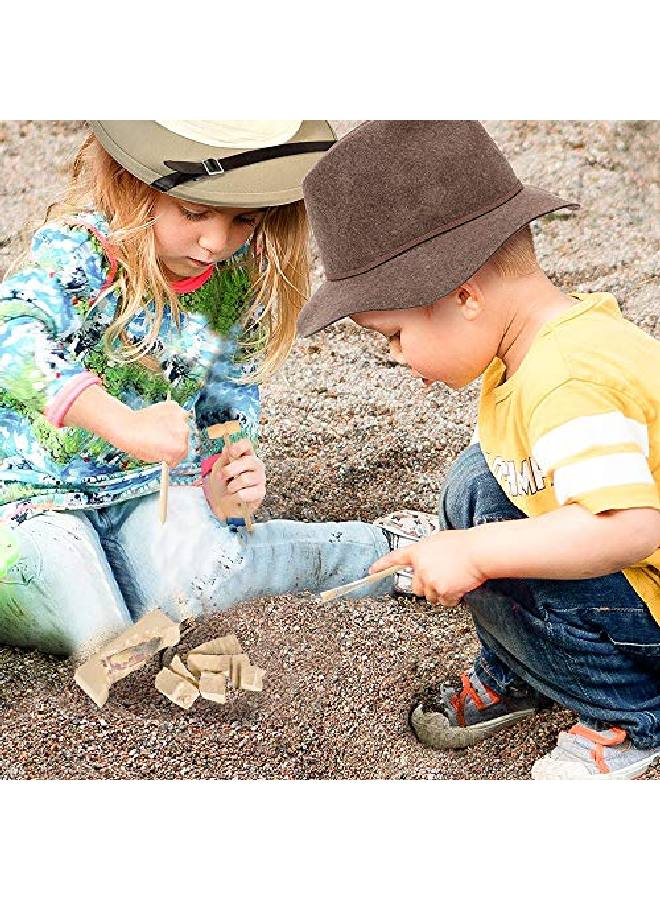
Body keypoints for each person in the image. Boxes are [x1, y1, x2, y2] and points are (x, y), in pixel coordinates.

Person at [297, 120, 660, 779]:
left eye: (394, 336)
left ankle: (633, 715)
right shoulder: (537, 345)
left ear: (465, 296)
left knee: (485, 538)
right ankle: (530, 666)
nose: (398, 358)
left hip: (649, 590)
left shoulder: (567, 379)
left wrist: (474, 552)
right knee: (476, 487)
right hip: (637, 583)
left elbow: (630, 526)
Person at [0, 120, 394, 661]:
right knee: (102, 633)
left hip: (149, 487)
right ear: (134, 185)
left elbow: (226, 400)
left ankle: (382, 551)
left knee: (206, 582)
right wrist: (121, 423)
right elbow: (12, 332)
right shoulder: (82, 250)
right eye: (194, 212)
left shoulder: (234, 277)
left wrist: (225, 480)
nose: (216, 242)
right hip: (28, 495)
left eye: (243, 218)